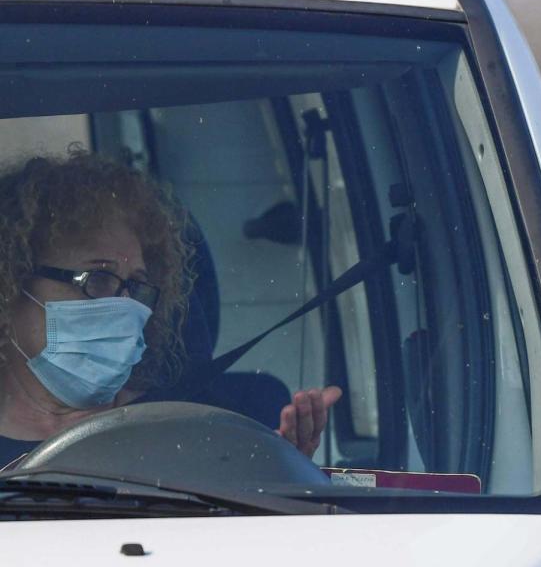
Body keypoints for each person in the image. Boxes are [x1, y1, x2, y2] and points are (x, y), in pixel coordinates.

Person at [0, 150, 341, 465]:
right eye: (99, 278)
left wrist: (280, 471)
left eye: (136, 285)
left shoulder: (201, 422)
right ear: (13, 281)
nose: (125, 305)